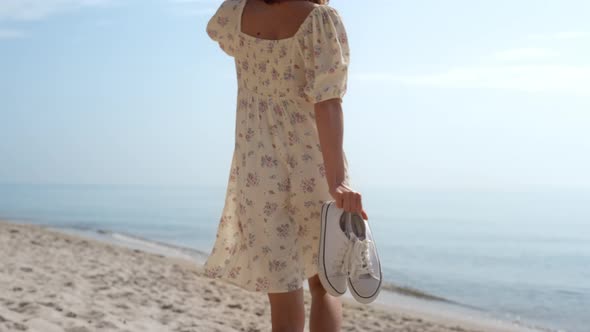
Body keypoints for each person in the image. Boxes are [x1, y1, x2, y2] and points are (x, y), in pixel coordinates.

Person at [203, 0, 368, 331]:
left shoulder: (236, 13)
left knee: (282, 289)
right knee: (324, 285)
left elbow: (220, 35)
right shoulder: (319, 19)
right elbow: (329, 102)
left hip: (256, 169)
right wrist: (337, 181)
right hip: (313, 163)